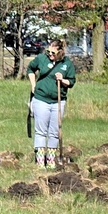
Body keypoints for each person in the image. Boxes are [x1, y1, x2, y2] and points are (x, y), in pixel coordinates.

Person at [28, 39, 76, 169]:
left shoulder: (67, 64)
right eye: (49, 51)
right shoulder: (42, 59)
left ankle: (50, 160)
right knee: (41, 131)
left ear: (60, 52)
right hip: (41, 99)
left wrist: (63, 80)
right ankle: (39, 161)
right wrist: (33, 85)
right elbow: (30, 69)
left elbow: (72, 82)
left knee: (55, 132)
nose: (50, 54)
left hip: (58, 102)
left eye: (53, 53)